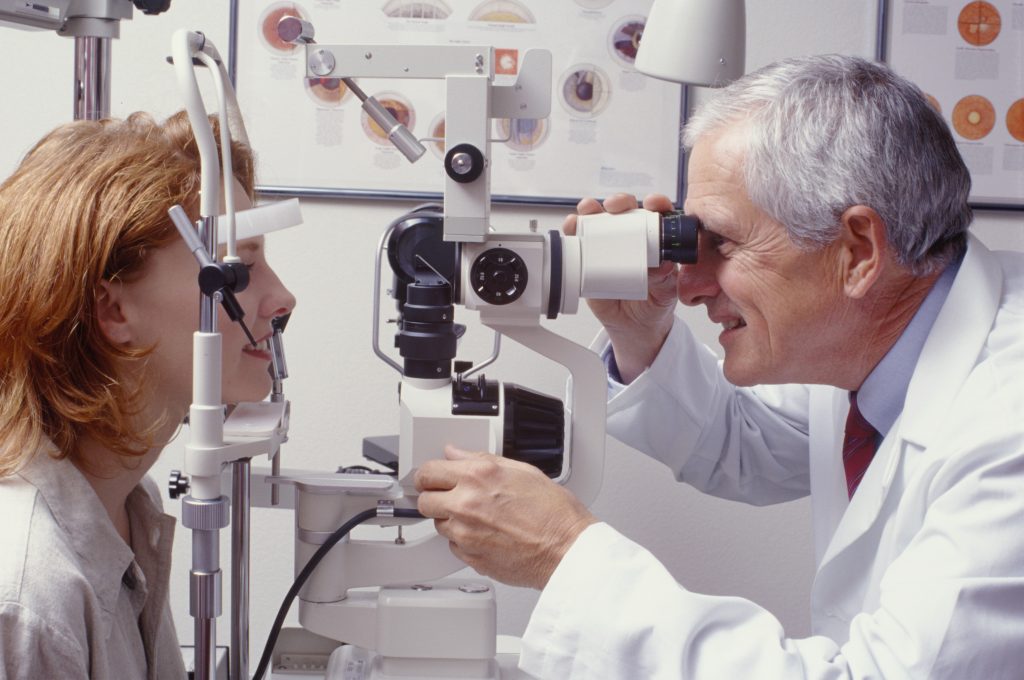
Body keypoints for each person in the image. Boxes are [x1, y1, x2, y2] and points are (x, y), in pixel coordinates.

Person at [415, 54, 1024, 678]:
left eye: (724, 243)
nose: (689, 285)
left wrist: (560, 555)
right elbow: (747, 444)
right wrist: (639, 329)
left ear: (858, 250)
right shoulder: (873, 339)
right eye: (689, 241)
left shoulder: (1008, 427)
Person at [0, 112, 296, 679]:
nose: (283, 298)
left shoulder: (128, 500)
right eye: (239, 270)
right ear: (114, 310)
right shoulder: (30, 597)